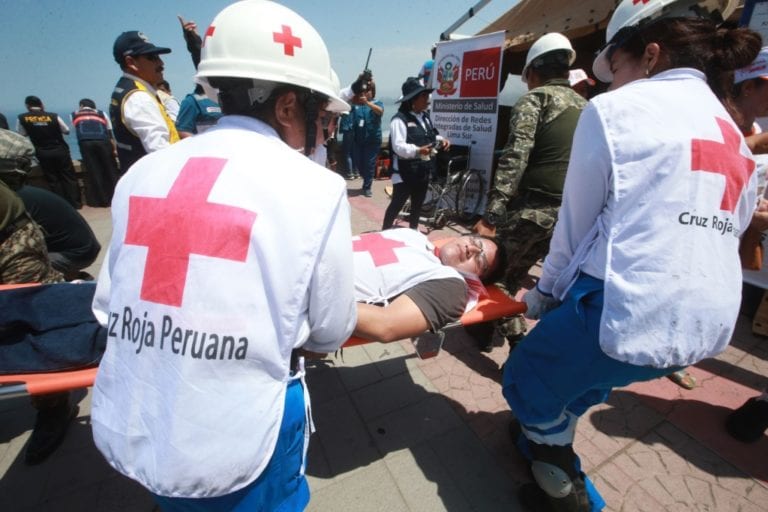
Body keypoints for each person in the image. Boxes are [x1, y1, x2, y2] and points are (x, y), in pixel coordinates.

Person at [91, 2, 355, 510]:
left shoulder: (141, 177)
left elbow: (106, 309)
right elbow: (332, 329)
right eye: (317, 115)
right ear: (286, 107)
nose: (318, 129)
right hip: (244, 437)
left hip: (144, 420)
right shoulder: (315, 187)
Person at [504, 0, 756, 510]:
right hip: (708, 322)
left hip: (619, 306)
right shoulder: (735, 133)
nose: (608, 82)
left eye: (614, 67)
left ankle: (563, 482)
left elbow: (574, 225)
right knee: (588, 382)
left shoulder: (616, 111)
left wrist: (546, 293)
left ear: (651, 54)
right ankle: (550, 434)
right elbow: (736, 225)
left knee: (525, 379)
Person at [473, 32, 586, 345]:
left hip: (531, 211)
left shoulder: (536, 100)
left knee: (498, 276)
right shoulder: (586, 106)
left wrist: (492, 215)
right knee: (553, 281)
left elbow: (515, 157)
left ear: (533, 71)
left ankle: (515, 343)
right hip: (570, 216)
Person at [352, 229, 506, 342]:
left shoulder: (451, 286)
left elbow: (385, 326)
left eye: (480, 260)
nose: (470, 249)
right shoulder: (415, 236)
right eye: (474, 241)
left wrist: (326, 298)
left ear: (478, 279)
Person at [382, 76, 450, 231]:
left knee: (417, 205)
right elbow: (398, 147)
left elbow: (430, 135)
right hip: (404, 173)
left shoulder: (425, 117)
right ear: (413, 99)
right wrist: (418, 150)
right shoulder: (399, 120)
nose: (428, 99)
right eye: (424, 96)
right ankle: (385, 231)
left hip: (422, 170)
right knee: (397, 204)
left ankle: (413, 232)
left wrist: (442, 140)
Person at [109, 30, 180, 173]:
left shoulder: (126, 89)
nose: (161, 62)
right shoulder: (139, 98)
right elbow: (160, 150)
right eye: (152, 57)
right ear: (131, 62)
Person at [16, 95, 81, 209]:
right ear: (41, 104)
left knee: (53, 179)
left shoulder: (22, 118)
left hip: (42, 152)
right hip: (60, 149)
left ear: (27, 106)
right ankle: (76, 203)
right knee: (68, 176)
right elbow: (66, 130)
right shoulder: (52, 116)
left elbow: (21, 134)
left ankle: (62, 204)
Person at [71, 98, 120, 206]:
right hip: (103, 142)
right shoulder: (101, 113)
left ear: (81, 105)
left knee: (94, 171)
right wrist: (114, 149)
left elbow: (74, 128)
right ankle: (118, 197)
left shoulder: (74, 114)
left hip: (86, 143)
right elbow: (109, 131)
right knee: (111, 170)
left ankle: (103, 201)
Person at [349, 80, 384, 197]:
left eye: (368, 91)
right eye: (363, 91)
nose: (365, 93)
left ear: (372, 92)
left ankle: (367, 186)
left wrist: (368, 103)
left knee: (369, 164)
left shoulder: (377, 103)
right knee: (358, 163)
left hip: (372, 140)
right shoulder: (357, 104)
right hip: (358, 140)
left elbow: (380, 112)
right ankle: (366, 180)